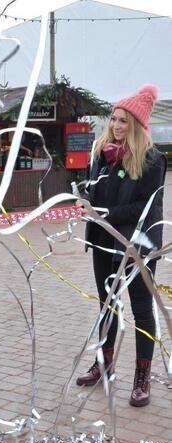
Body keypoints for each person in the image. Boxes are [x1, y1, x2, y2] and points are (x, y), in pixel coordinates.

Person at [77, 84, 165, 407]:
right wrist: (84, 200)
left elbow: (145, 206)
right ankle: (104, 364)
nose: (116, 126)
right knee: (107, 305)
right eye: (114, 119)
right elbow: (93, 190)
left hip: (135, 245)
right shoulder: (102, 154)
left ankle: (142, 377)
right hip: (102, 240)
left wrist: (105, 214)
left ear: (138, 127)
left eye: (123, 121)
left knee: (142, 310)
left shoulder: (153, 161)